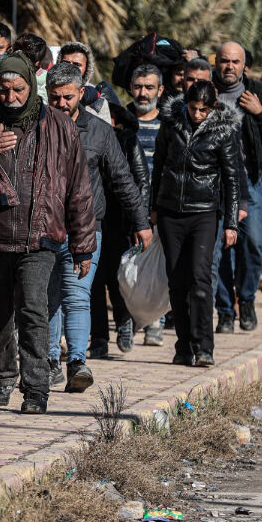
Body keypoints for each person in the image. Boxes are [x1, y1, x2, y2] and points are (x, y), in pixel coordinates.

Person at [0, 54, 96, 415]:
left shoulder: (60, 126)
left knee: (32, 310)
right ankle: (1, 378)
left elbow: (79, 188)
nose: (10, 97)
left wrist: (82, 245)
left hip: (40, 234)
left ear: (31, 87)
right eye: (4, 89)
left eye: (18, 89)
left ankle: (36, 388)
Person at [45, 63, 150, 391]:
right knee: (48, 297)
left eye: (68, 97)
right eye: (55, 97)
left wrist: (141, 222)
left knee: (77, 297)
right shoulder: (37, 128)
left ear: (80, 93)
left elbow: (122, 180)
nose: (62, 104)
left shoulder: (100, 132)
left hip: (88, 228)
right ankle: (50, 360)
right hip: (46, 227)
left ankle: (77, 361)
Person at [151, 81, 240, 366]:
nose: (198, 114)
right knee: (177, 281)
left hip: (203, 212)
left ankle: (204, 347)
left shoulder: (223, 131)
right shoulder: (172, 124)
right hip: (170, 211)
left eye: (204, 109)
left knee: (201, 278)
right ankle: (183, 344)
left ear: (213, 107)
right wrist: (152, 207)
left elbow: (231, 179)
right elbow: (158, 164)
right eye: (193, 108)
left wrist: (231, 222)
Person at [211, 42, 262, 332]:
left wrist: (260, 111)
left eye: (235, 62)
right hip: (213, 183)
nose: (230, 66)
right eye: (225, 61)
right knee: (219, 249)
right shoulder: (207, 91)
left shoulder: (257, 92)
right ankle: (226, 311)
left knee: (253, 241)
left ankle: (247, 299)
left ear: (244, 65)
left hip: (249, 181)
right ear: (217, 63)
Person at [87, 95, 150, 358]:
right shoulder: (83, 138)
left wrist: (139, 221)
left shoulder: (126, 141)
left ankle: (124, 320)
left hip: (118, 221)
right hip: (90, 219)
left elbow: (139, 183)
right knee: (91, 282)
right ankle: (99, 337)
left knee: (116, 278)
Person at [124, 63, 167, 347]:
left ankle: (155, 322)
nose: (143, 93)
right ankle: (126, 322)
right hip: (126, 204)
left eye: (149, 87)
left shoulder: (170, 122)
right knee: (126, 266)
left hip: (159, 206)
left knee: (154, 267)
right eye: (138, 87)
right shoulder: (120, 120)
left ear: (160, 90)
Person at [58, 40, 113, 124]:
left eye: (77, 64)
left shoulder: (98, 103)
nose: (70, 68)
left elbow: (105, 134)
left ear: (86, 68)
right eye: (66, 63)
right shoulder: (47, 95)